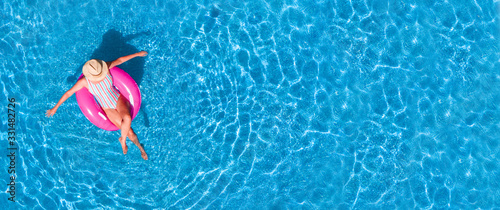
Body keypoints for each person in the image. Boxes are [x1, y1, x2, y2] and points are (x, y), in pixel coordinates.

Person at [46, 51, 149, 160]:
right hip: (108, 108)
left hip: (118, 99)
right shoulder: (84, 82)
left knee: (127, 118)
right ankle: (140, 149)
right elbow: (68, 93)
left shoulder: (106, 67)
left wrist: (137, 54)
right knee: (130, 132)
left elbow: (120, 60)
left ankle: (122, 140)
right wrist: (55, 108)